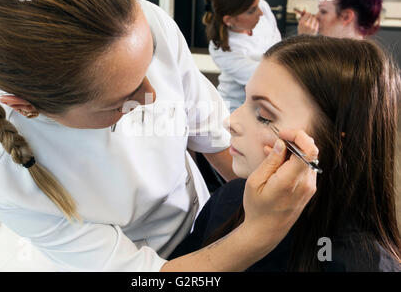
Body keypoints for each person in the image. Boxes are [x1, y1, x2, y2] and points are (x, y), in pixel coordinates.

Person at [0, 0, 318, 271]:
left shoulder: (143, 22)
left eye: (150, 65)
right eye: (120, 101)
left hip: (208, 217)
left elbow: (214, 137)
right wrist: (259, 232)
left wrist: (258, 208)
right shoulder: (3, 182)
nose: (152, 96)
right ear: (29, 107)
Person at [169, 35, 401, 271]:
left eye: (264, 115)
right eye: (245, 100)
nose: (231, 121)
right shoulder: (230, 199)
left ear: (337, 142)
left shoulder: (359, 264)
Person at [203, 0, 281, 113]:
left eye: (258, 4)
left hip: (266, 103)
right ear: (229, 20)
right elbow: (266, 79)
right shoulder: (221, 50)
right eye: (252, 10)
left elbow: (279, 48)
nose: (261, 12)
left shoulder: (261, 6)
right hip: (236, 109)